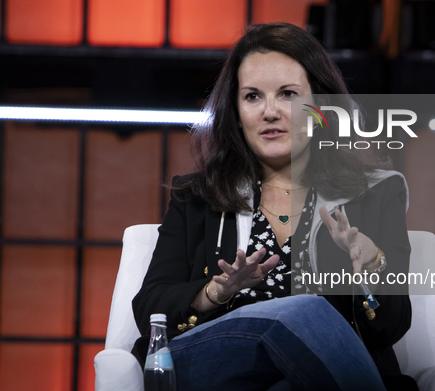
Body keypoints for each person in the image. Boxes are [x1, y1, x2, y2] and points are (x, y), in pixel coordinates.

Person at [132, 22, 417, 391]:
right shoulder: (198, 197)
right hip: (212, 367)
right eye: (252, 97)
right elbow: (150, 308)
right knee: (304, 311)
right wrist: (215, 292)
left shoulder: (373, 194)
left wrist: (371, 266)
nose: (269, 112)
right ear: (235, 112)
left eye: (287, 94)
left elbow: (389, 328)